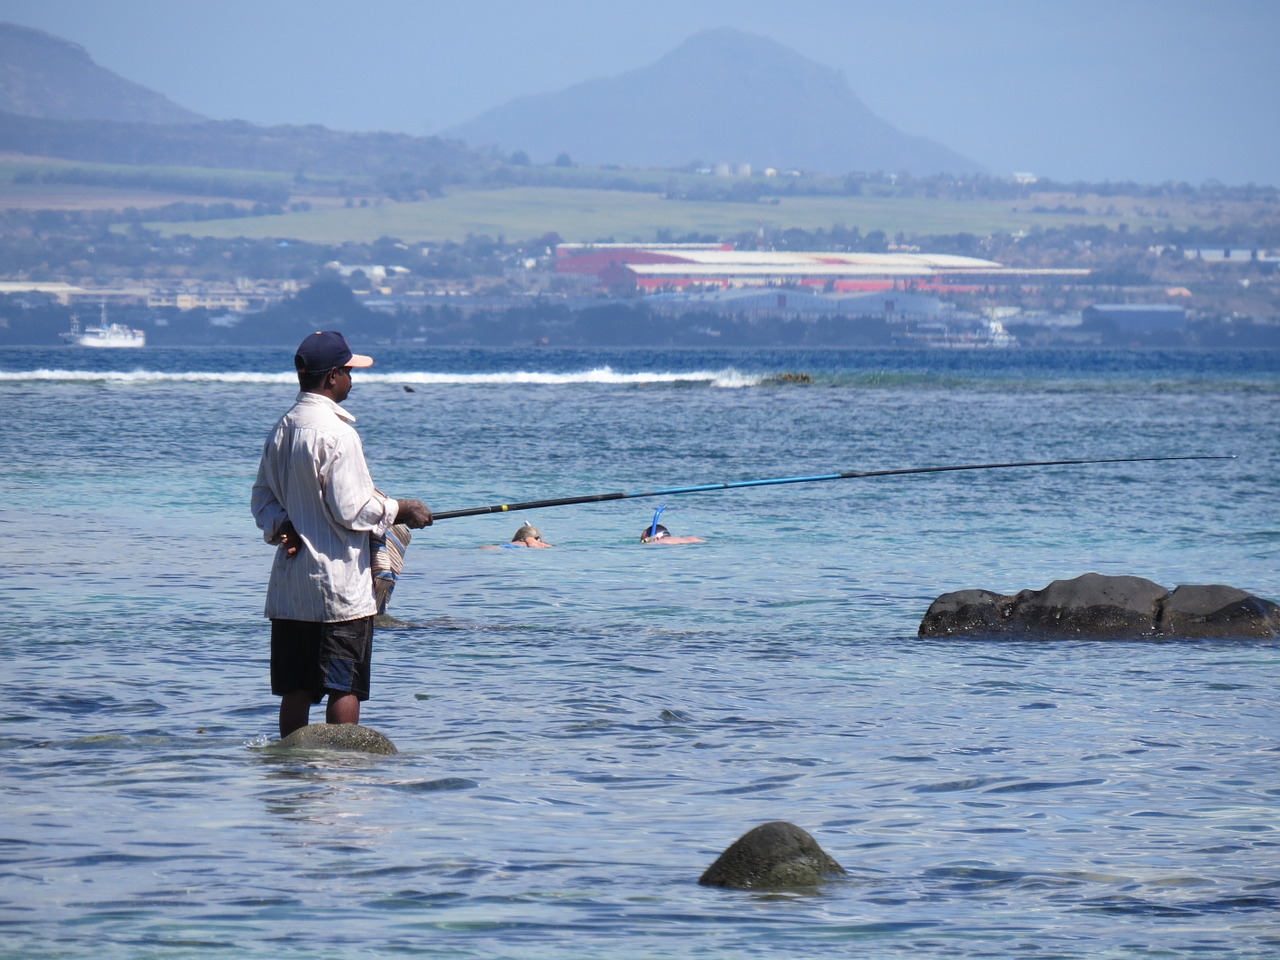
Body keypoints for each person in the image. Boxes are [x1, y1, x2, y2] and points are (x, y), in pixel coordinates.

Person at [251, 330, 433, 738]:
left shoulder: (282, 429)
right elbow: (355, 509)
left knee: (297, 688)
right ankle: (342, 775)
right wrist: (403, 508)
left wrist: (285, 527)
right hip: (340, 588)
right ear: (332, 377)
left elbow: (262, 501)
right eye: (349, 371)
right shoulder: (339, 434)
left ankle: (292, 772)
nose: (353, 378)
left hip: (291, 589)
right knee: (343, 684)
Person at [638, 506, 704, 544]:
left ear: (656, 538)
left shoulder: (660, 542)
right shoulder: (692, 539)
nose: (643, 543)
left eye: (644, 541)